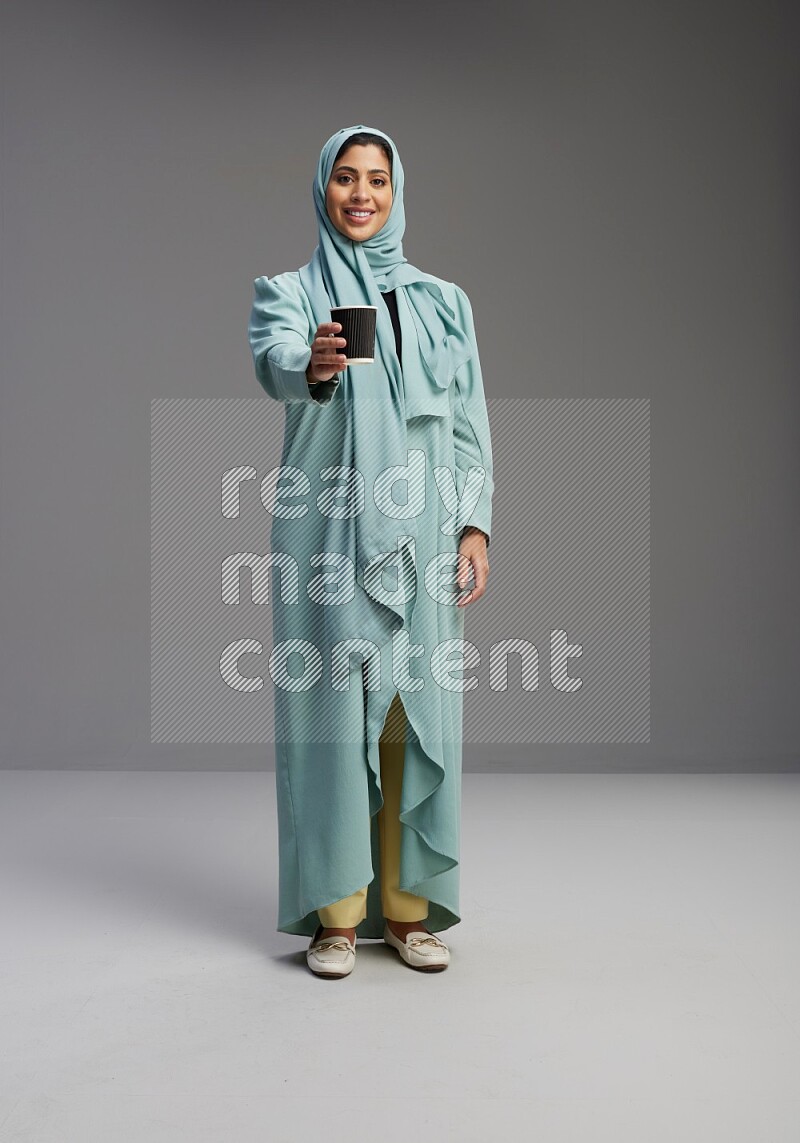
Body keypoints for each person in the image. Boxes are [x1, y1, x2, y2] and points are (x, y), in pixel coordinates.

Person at [247, 124, 493, 977]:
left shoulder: (442, 301)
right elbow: (275, 362)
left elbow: (467, 427)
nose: (361, 194)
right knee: (328, 721)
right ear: (323, 190)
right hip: (324, 534)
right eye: (346, 179)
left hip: (421, 538)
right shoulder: (289, 291)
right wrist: (314, 364)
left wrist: (473, 524)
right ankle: (337, 917)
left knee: (408, 717)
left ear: (396, 191)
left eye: (377, 180)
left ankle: (407, 911)